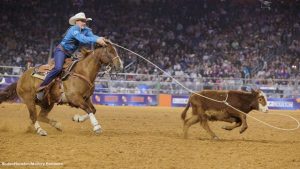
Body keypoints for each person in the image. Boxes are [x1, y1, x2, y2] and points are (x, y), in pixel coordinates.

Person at [36, 12, 107, 100]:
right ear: (76, 21)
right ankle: (41, 88)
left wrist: (101, 38)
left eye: (85, 21)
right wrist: (97, 39)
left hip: (70, 54)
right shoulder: (74, 29)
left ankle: (69, 89)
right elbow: (82, 39)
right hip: (61, 51)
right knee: (58, 68)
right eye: (82, 21)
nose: (84, 22)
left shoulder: (86, 30)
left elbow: (92, 36)